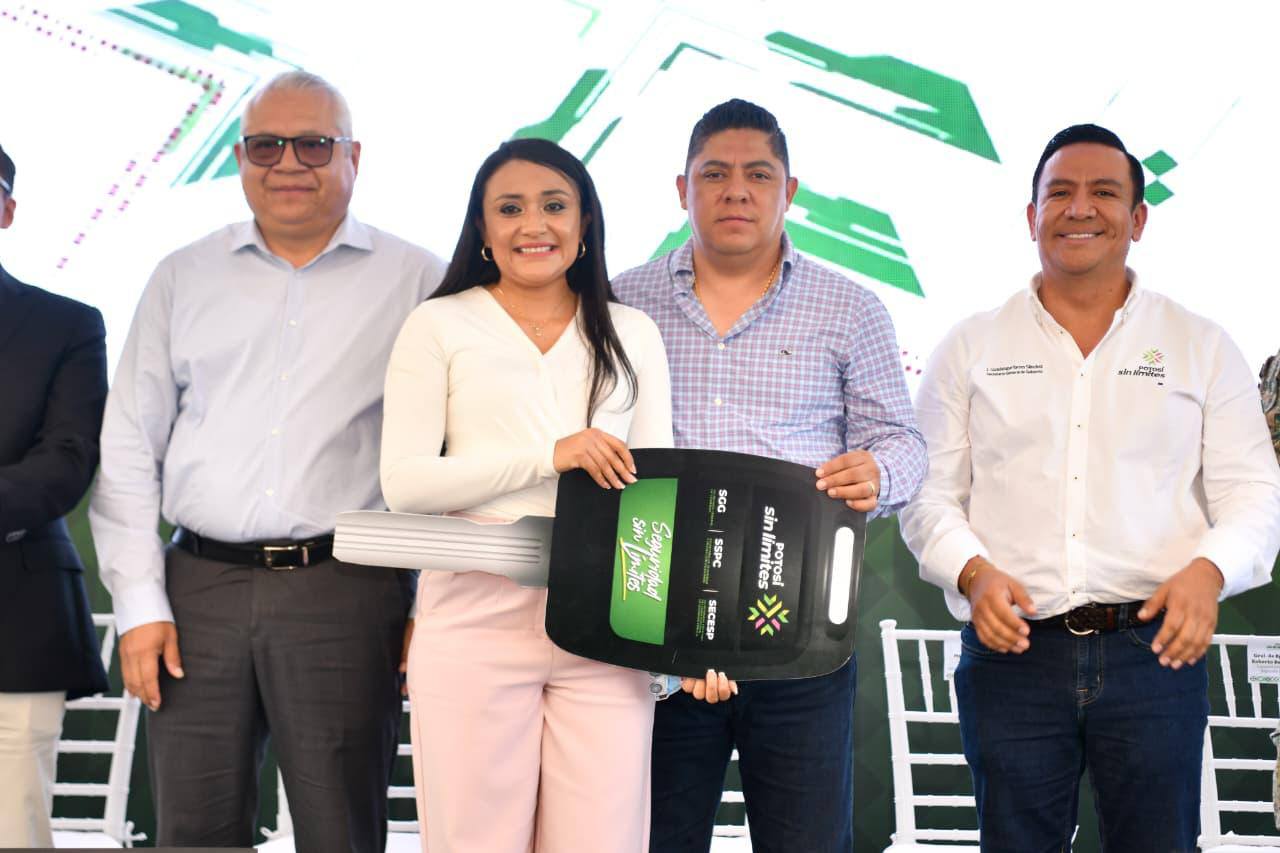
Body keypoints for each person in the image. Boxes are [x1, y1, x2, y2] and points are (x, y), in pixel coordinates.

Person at [89, 71, 445, 852]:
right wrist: (141, 603)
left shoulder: (419, 278)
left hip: (346, 590)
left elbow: (449, 453)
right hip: (196, 594)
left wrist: (427, 601)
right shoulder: (182, 275)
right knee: (192, 829)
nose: (288, 162)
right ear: (239, 157)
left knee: (342, 830)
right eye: (265, 145)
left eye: (314, 144)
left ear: (354, 156)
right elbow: (129, 445)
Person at [900, 123, 1280, 853]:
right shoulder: (970, 344)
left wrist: (1210, 571)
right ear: (1031, 216)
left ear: (1138, 219)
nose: (1080, 208)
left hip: (1155, 653)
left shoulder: (1201, 345)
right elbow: (926, 494)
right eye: (1060, 193)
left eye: (1103, 192)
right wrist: (972, 573)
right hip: (1012, 654)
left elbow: (1255, 494)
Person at [612, 99, 927, 853]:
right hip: (658, 630)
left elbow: (904, 442)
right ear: (681, 189)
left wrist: (879, 470)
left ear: (790, 191)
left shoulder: (850, 308)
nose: (736, 191)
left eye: (758, 174)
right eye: (713, 174)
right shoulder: (622, 301)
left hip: (799, 632)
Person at [380, 137, 673, 852]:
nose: (533, 225)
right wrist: (549, 455)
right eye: (509, 209)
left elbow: (658, 503)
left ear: (585, 222)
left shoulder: (632, 333)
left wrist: (669, 644)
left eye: (554, 206)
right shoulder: (438, 324)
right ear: (482, 229)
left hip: (606, 625)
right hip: (472, 617)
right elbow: (405, 485)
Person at [0, 143, 110, 848]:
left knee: (14, 824)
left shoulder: (66, 324)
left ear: (7, 209)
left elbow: (66, 462)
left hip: (16, 615)